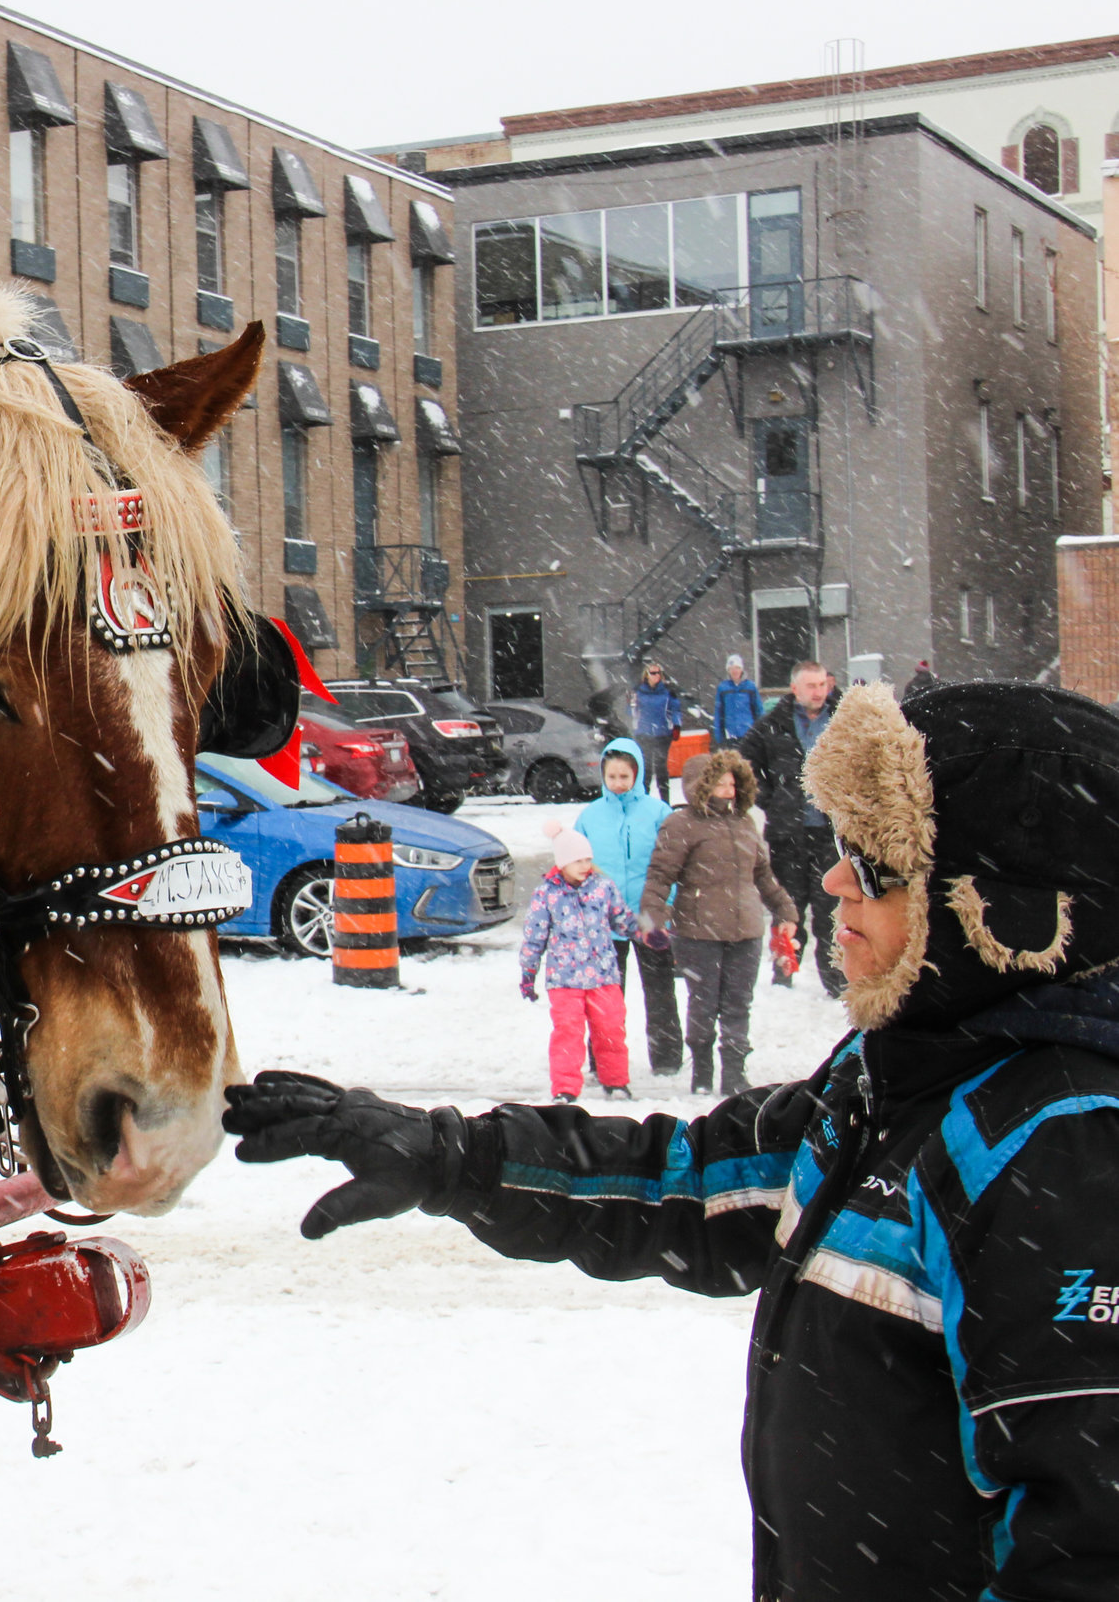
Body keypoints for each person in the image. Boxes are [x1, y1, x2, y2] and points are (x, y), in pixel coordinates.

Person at [224, 682, 1119, 1602]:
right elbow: (688, 1185)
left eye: (879, 865)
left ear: (1008, 914)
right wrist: (450, 1154)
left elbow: (1090, 1547)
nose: (835, 880)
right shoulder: (894, 1078)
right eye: (844, 850)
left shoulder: (1063, 1150)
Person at [642, 750, 796, 1094]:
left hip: (746, 931)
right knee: (704, 1002)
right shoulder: (681, 824)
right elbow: (660, 875)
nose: (729, 790)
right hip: (699, 931)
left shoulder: (745, 823)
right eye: (721, 783)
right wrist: (653, 918)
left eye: (733, 783)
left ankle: (734, 1073)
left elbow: (763, 875)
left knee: (738, 1002)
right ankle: (702, 1071)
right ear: (701, 785)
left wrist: (785, 910)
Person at [574, 738, 682, 1077]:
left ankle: (666, 1059)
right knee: (606, 997)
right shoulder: (590, 816)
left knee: (660, 991)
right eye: (612, 777)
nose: (619, 784)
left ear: (638, 774)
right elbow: (575, 865)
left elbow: (674, 863)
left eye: (625, 776)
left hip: (650, 917)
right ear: (603, 776)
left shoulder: (658, 812)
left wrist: (666, 905)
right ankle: (603, 1059)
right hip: (604, 922)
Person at [739, 659, 843, 996]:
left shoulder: (843, 721)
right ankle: (784, 972)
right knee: (789, 907)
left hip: (832, 833)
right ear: (794, 688)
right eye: (810, 686)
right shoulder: (774, 724)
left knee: (831, 910)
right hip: (789, 834)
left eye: (822, 684)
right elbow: (744, 766)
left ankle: (835, 980)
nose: (818, 692)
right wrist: (773, 799)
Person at [519, 824, 638, 1103]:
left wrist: (644, 932)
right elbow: (534, 937)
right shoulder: (546, 893)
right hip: (565, 978)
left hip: (603, 975)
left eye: (588, 859)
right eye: (578, 860)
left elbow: (621, 918)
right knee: (568, 1033)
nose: (585, 865)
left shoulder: (603, 887)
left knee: (610, 1030)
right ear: (562, 863)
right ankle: (565, 1087)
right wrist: (528, 971)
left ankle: (616, 1082)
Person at [628, 661, 680, 801]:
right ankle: (644, 801)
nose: (656, 675)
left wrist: (676, 725)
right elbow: (632, 711)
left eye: (658, 673)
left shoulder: (668, 691)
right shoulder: (638, 691)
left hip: (663, 734)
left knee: (661, 769)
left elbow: (675, 709)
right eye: (653, 672)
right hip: (644, 734)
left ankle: (665, 802)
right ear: (646, 675)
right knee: (646, 770)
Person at [711, 655, 762, 746]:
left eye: (737, 668)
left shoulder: (750, 687)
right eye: (732, 669)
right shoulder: (723, 688)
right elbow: (719, 713)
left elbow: (758, 710)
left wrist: (761, 731)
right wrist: (719, 734)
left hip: (748, 733)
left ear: (741, 669)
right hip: (730, 735)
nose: (735, 671)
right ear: (728, 671)